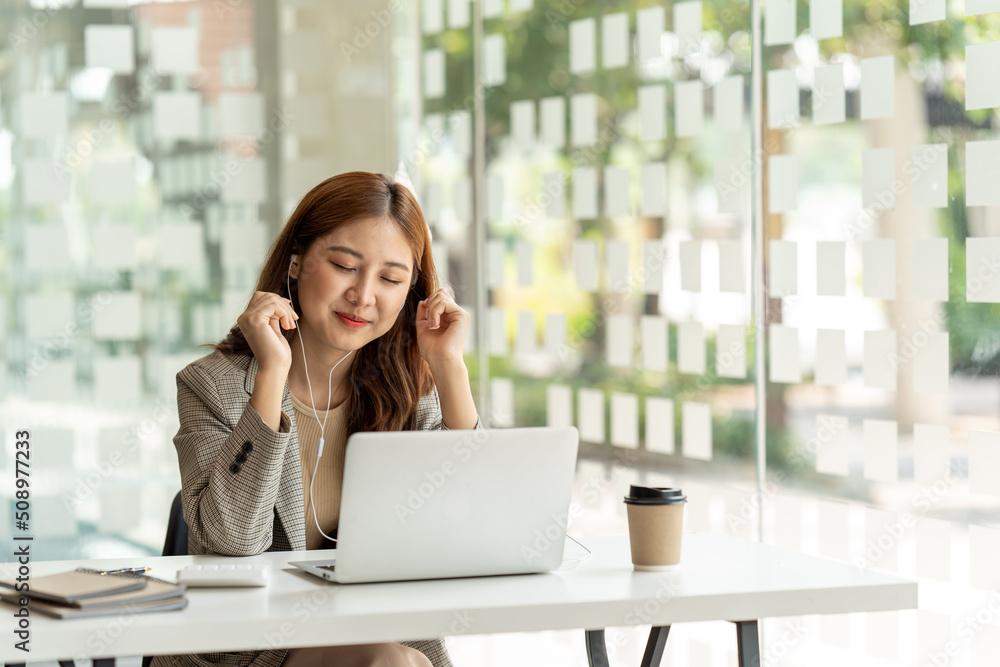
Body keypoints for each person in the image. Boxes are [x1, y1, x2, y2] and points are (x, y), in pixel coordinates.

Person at [151, 172, 482, 667]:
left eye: (391, 279)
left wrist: (449, 366)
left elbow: (475, 526)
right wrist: (271, 372)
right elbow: (232, 539)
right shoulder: (211, 385)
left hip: (376, 632)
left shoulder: (409, 389)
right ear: (296, 262)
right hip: (250, 648)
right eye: (345, 265)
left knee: (397, 659)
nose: (364, 295)